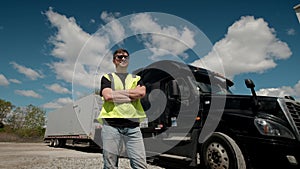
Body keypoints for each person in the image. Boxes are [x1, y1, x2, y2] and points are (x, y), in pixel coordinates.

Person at [97, 48, 148, 169]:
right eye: (120, 57)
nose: (123, 59)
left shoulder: (136, 78)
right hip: (111, 126)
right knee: (110, 165)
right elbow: (108, 96)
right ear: (114, 61)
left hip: (133, 127)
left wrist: (117, 94)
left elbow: (140, 93)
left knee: (140, 165)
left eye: (126, 57)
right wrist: (131, 96)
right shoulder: (107, 77)